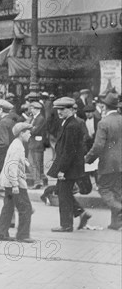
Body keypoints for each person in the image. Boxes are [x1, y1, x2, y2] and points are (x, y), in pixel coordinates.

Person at [47, 97, 91, 232]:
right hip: (72, 165)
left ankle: (66, 225)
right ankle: (81, 213)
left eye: (63, 109)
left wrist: (62, 170)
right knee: (62, 191)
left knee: (64, 195)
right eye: (58, 109)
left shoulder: (71, 125)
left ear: (71, 110)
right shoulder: (68, 122)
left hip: (69, 167)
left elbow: (69, 150)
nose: (59, 112)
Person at [85, 92, 121, 230]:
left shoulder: (103, 122)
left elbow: (98, 146)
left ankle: (119, 209)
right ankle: (116, 223)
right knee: (117, 191)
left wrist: (88, 159)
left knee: (104, 188)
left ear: (105, 107)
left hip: (108, 164)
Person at [0, 122, 35, 243]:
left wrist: (25, 162)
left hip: (9, 182)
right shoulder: (18, 146)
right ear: (21, 133)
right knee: (26, 208)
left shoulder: (16, 144)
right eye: (28, 132)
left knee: (8, 208)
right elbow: (12, 166)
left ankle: (1, 234)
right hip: (15, 182)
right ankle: (23, 235)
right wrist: (15, 185)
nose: (30, 134)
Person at [27, 101, 48, 189]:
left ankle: (38, 181)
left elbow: (35, 130)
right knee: (33, 162)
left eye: (32, 108)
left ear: (37, 109)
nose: (31, 110)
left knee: (35, 163)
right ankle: (40, 180)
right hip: (33, 143)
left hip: (37, 144)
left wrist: (28, 129)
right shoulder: (33, 118)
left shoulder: (40, 118)